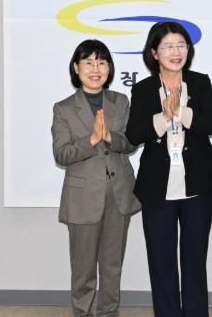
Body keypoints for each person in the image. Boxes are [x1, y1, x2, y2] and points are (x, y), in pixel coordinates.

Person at [126, 21, 212, 317]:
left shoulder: (200, 82)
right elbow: (134, 135)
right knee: (161, 260)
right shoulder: (143, 89)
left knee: (195, 259)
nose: (176, 52)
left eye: (181, 45)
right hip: (157, 187)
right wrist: (164, 116)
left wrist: (180, 110)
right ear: (154, 52)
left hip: (197, 184)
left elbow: (210, 124)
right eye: (168, 46)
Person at [52, 39, 141, 316]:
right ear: (76, 68)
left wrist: (110, 137)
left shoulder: (120, 101)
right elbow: (62, 154)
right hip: (82, 198)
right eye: (88, 62)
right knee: (83, 267)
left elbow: (131, 142)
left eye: (102, 62)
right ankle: (83, 311)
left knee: (112, 264)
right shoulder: (64, 108)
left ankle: (108, 311)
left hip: (118, 194)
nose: (95, 69)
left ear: (109, 68)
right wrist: (91, 140)